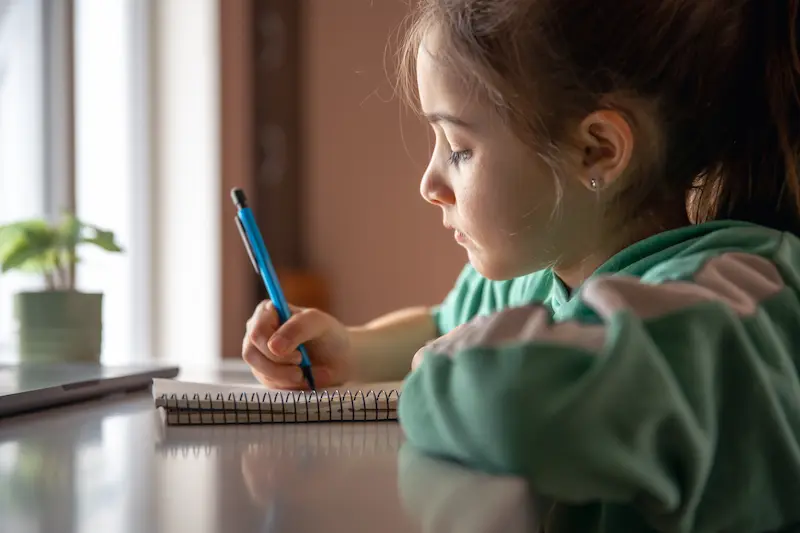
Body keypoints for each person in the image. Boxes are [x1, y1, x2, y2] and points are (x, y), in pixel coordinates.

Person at [243, 0, 800, 529]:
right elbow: (442, 327)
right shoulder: (547, 273)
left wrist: (436, 377)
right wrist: (349, 350)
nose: (429, 183)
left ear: (598, 150)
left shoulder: (735, 304)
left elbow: (509, 403)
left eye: (459, 148)